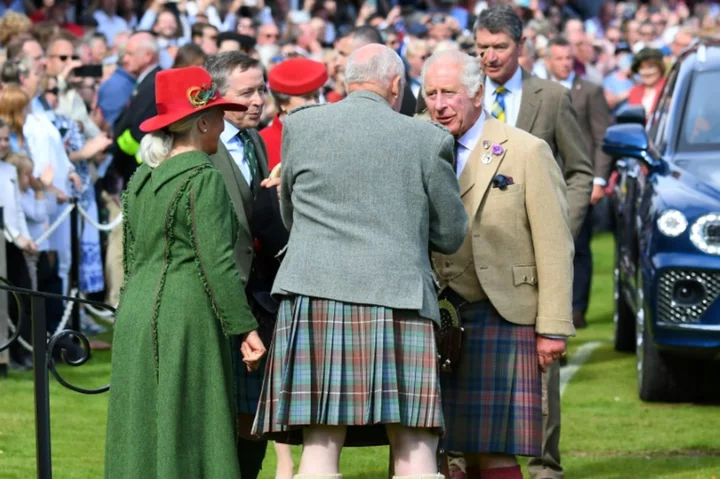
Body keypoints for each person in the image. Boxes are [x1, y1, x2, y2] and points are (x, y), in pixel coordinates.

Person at [252, 44, 468, 479]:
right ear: (395, 85)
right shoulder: (427, 138)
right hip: (399, 299)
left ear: (347, 81)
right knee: (414, 449)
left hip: (315, 295)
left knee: (319, 447)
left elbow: (291, 214)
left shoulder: (301, 126)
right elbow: (450, 234)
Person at [104, 66, 266, 478]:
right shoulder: (202, 177)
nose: (223, 123)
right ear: (203, 121)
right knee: (194, 425)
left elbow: (134, 256)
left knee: (142, 425)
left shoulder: (142, 176)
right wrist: (245, 329)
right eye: (219, 115)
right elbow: (217, 264)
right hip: (186, 316)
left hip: (136, 312)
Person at [423, 49, 575, 479]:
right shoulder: (412, 143)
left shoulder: (526, 151)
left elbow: (554, 243)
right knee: (429, 446)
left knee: (493, 449)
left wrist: (552, 327)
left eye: (449, 93)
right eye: (431, 93)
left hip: (502, 312)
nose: (439, 104)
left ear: (476, 93)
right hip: (428, 312)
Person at [472, 6, 593, 479]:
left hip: (536, 255)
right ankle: (465, 460)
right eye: (481, 47)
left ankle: (544, 466)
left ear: (521, 47)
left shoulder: (554, 97)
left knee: (543, 361)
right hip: (471, 255)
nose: (489, 56)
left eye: (499, 47)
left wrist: (562, 226)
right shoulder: (462, 92)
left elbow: (581, 170)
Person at [204, 51, 279, 479]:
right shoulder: (200, 147)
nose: (257, 100)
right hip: (217, 298)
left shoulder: (254, 140)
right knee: (220, 417)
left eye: (262, 89)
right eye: (246, 92)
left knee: (256, 423)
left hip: (258, 297)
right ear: (217, 97)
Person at [545, 36, 612, 330]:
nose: (564, 64)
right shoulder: (537, 91)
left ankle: (577, 309)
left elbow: (601, 139)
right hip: (546, 180)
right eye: (558, 58)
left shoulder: (591, 91)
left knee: (579, 246)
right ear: (548, 60)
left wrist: (598, 180)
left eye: (568, 59)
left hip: (577, 181)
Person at [111, 31, 161, 189]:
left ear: (147, 55)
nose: (124, 59)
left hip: (137, 171)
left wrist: (118, 162)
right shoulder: (148, 81)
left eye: (130, 54)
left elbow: (137, 131)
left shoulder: (153, 84)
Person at [260, 57, 328, 171]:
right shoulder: (262, 142)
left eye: (316, 96)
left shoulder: (327, 135)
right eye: (306, 98)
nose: (314, 103)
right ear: (283, 103)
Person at [628, 47, 666, 118]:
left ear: (660, 68)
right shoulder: (634, 91)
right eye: (642, 68)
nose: (646, 72)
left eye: (651, 67)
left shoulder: (668, 88)